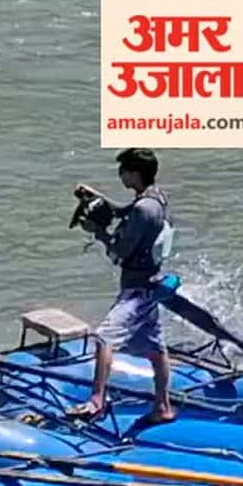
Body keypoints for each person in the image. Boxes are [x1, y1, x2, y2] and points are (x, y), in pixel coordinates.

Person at [66, 147, 176, 424]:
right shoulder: (156, 198)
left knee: (104, 338)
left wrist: (98, 232)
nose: (120, 175)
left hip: (136, 290)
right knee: (154, 348)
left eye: (123, 170)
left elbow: (120, 252)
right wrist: (97, 197)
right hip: (152, 284)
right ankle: (163, 406)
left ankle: (96, 401)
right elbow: (125, 211)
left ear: (134, 173)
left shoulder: (143, 209)